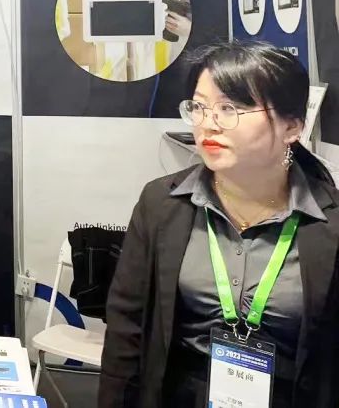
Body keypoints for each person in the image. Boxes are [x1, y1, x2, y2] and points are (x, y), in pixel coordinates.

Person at [100, 42, 339, 408]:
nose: (208, 123)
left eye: (230, 108)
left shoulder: (330, 223)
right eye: (199, 106)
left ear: (291, 126)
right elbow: (127, 330)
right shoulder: (162, 204)